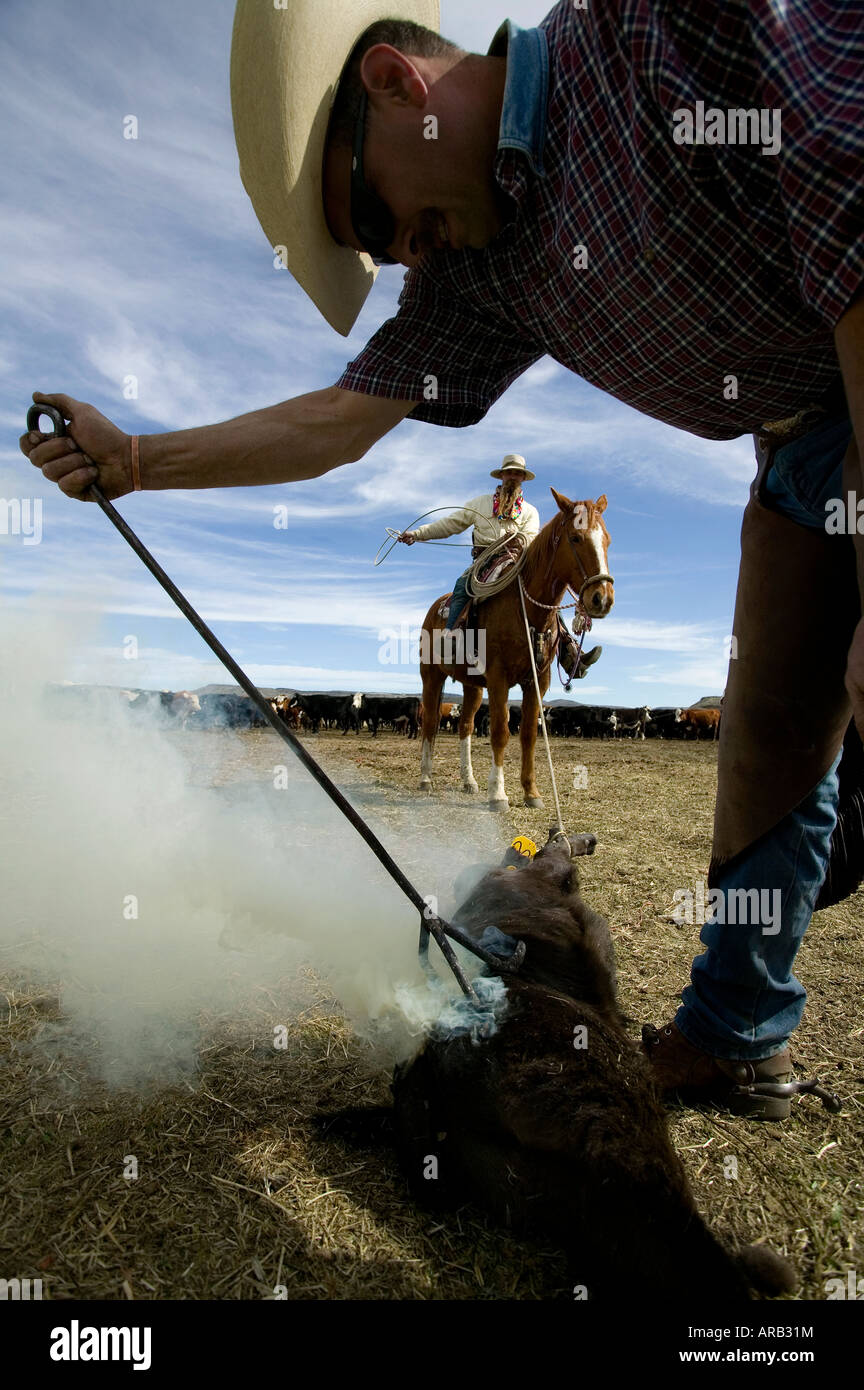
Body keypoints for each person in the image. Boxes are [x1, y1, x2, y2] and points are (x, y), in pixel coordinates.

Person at [21, 2, 864, 1119]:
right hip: (805, 442)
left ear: (393, 84)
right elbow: (340, 421)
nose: (399, 252)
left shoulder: (649, 29)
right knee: (766, 742)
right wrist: (133, 457)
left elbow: (848, 184)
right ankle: (732, 1036)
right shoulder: (481, 274)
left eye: (376, 217)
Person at [398, 452, 602, 678]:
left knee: (544, 598)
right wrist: (417, 534)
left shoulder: (529, 511)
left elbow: (530, 539)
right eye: (510, 472)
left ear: (523, 478)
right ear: (502, 475)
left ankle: (568, 648)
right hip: (484, 560)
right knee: (461, 586)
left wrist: (515, 544)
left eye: (518, 473)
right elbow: (451, 524)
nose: (513, 477)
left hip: (517, 560)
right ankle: (451, 636)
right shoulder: (480, 504)